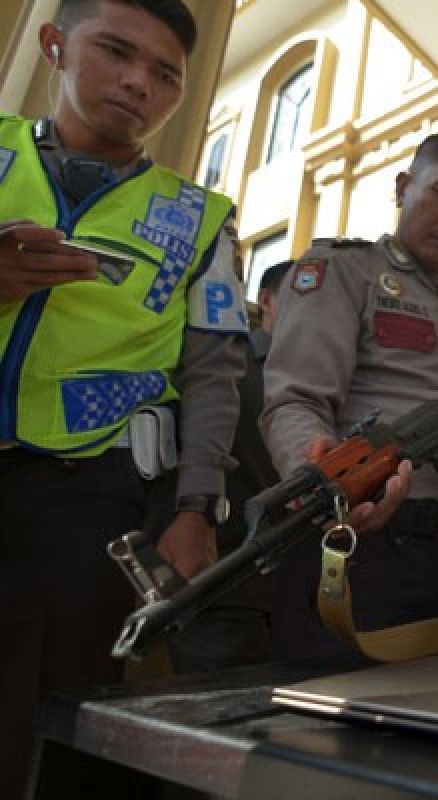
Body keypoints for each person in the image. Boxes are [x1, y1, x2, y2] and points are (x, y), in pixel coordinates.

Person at [0, 0, 247, 793]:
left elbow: (215, 371)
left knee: (30, 728)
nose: (139, 82)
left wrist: (195, 508)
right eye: (115, 51)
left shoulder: (202, 220)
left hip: (84, 506)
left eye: (165, 73)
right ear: (54, 46)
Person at [261, 133, 438, 658]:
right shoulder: (341, 270)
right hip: (362, 547)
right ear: (404, 187)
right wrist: (322, 473)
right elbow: (295, 400)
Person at [164, 260, 293, 672]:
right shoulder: (222, 372)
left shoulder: (329, 377)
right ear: (266, 301)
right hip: (220, 582)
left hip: (298, 595)